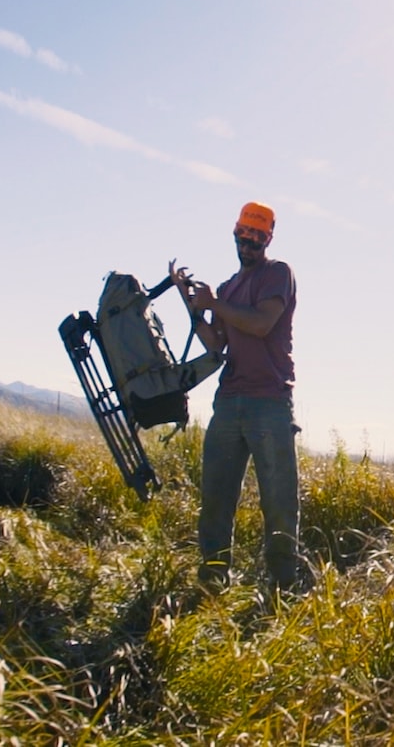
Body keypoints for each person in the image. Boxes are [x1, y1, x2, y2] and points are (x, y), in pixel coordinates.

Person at [170, 201, 302, 591]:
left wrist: (213, 304)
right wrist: (191, 303)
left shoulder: (278, 274)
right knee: (216, 499)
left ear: (268, 239)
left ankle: (281, 587)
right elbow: (215, 344)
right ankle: (212, 580)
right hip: (229, 402)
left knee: (279, 503)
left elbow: (262, 325)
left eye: (257, 237)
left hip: (270, 403)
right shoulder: (228, 288)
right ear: (235, 234)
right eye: (244, 236)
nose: (249, 244)